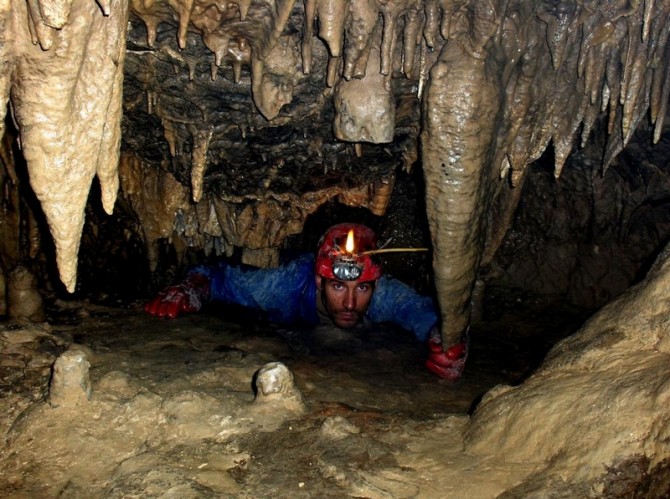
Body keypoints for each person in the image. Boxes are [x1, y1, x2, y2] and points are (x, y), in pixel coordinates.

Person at [144, 223, 468, 381]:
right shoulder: (286, 285)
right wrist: (193, 287)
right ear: (319, 280)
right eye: (338, 285)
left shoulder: (383, 291)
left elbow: (422, 311)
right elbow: (222, 279)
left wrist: (447, 337)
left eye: (363, 288)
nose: (351, 302)